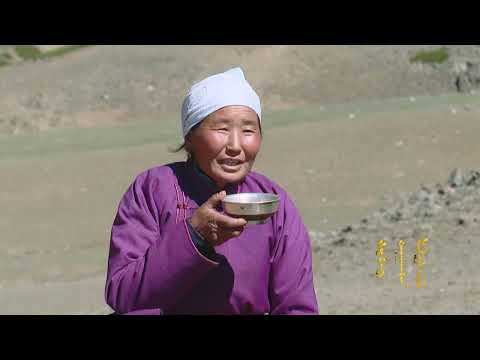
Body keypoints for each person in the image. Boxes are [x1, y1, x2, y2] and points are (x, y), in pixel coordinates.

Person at [104, 67, 318, 315]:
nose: (235, 146)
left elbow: (297, 306)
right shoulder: (152, 190)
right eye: (222, 129)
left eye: (248, 130)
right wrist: (193, 236)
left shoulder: (272, 202)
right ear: (190, 137)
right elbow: (123, 294)